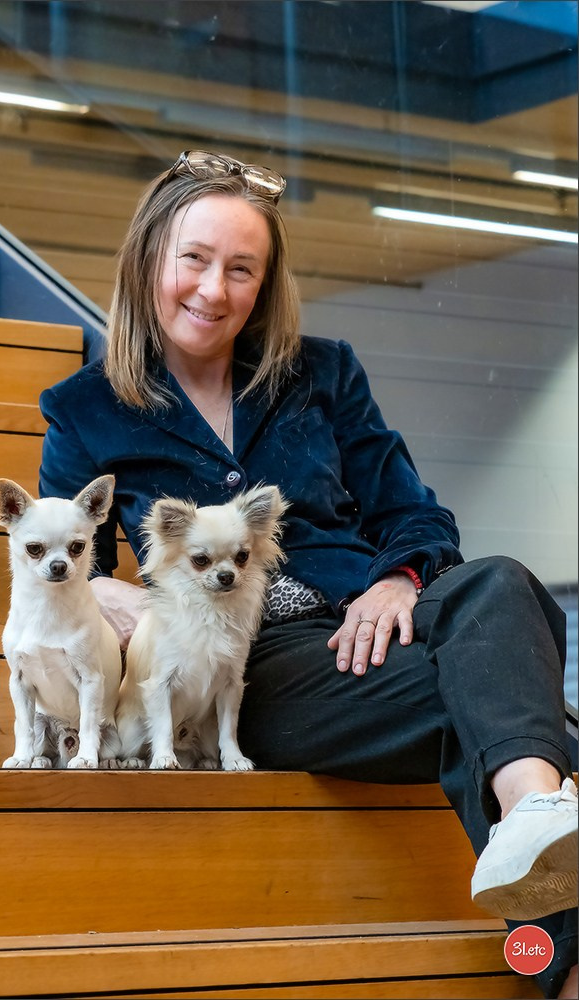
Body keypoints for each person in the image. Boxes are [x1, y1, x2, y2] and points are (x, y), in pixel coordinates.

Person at [38, 149, 578, 997]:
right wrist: (99, 585)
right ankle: (543, 816)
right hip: (251, 662)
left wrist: (396, 582)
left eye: (241, 269)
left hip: (378, 621)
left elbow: (415, 514)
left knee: (500, 581)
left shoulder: (324, 374)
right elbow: (65, 558)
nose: (214, 289)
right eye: (194, 259)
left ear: (264, 285)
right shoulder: (83, 410)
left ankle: (534, 814)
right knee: (515, 716)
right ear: (148, 260)